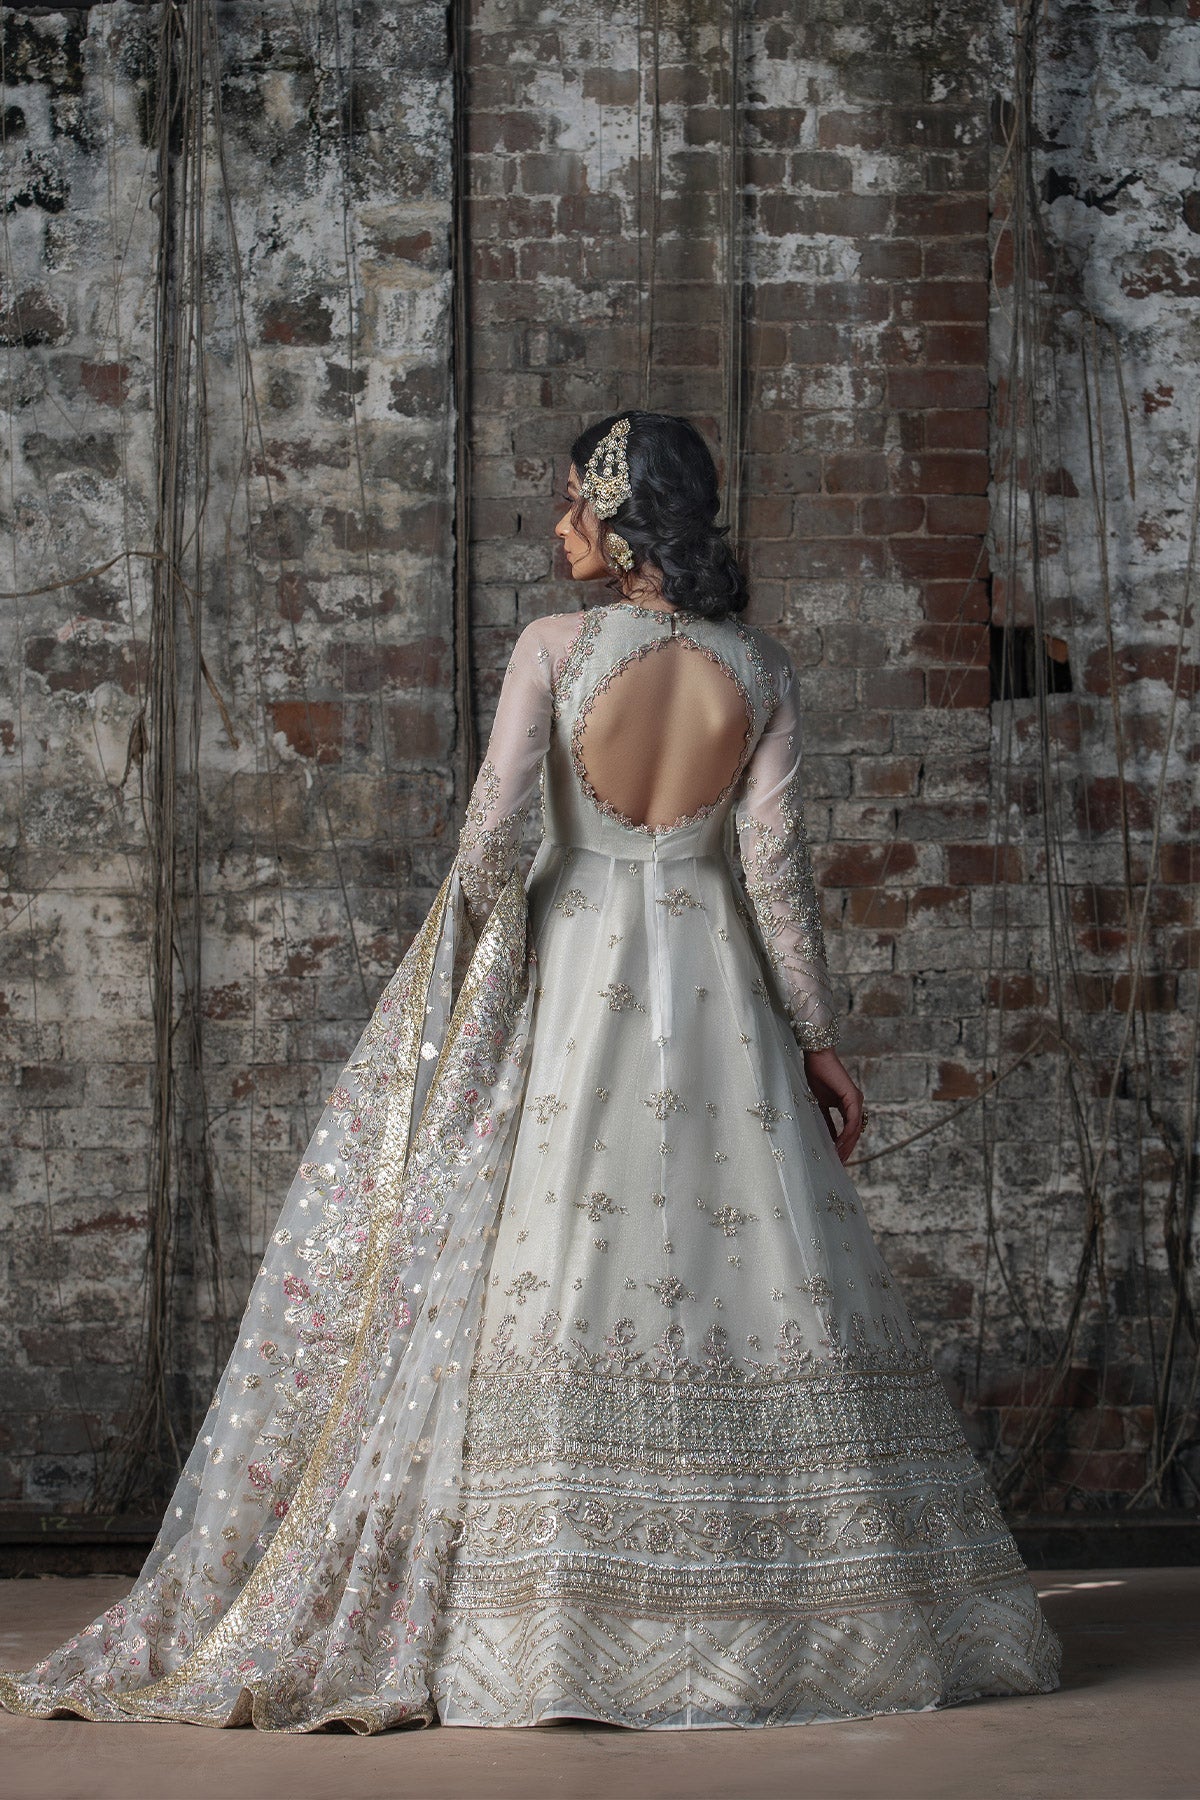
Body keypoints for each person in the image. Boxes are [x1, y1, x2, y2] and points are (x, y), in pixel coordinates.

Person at [0, 411, 1062, 1731]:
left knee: (560, 1260)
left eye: (571, 501)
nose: (558, 525)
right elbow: (776, 876)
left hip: (576, 979)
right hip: (716, 985)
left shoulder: (556, 649)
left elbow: (496, 826)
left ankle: (554, 1625)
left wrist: (463, 952)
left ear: (620, 515)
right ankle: (781, 1619)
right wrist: (820, 1040)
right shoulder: (764, 663)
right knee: (747, 1274)